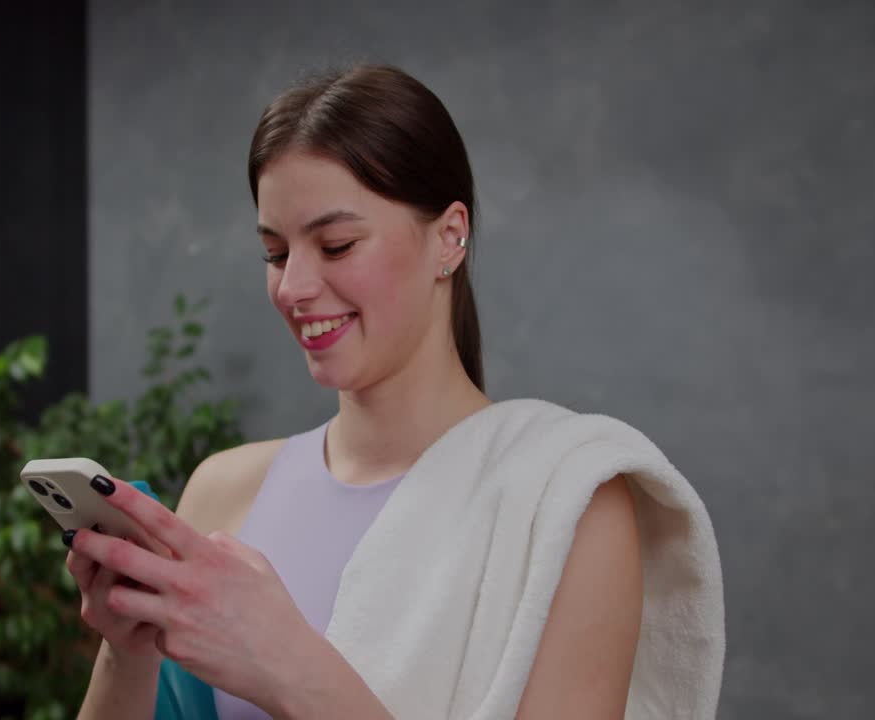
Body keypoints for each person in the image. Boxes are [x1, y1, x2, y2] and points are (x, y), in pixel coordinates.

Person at [64, 63, 646, 719]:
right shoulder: (225, 495)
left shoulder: (569, 507)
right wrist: (128, 648)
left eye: (336, 245)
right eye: (276, 253)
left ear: (450, 236)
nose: (293, 287)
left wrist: (292, 666)